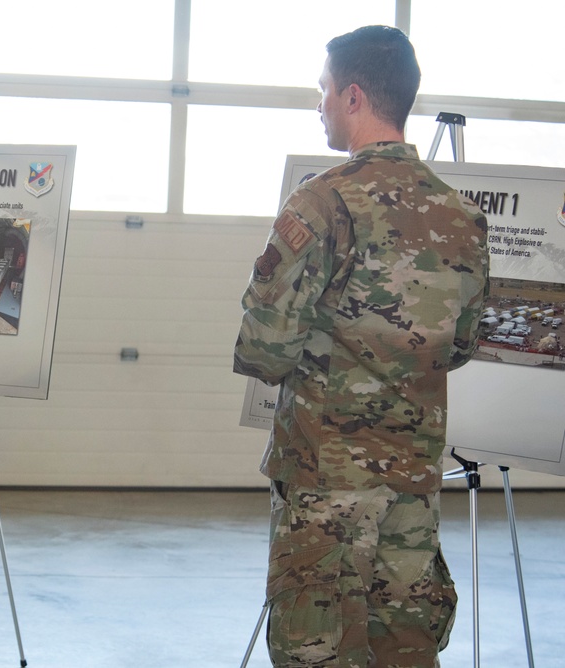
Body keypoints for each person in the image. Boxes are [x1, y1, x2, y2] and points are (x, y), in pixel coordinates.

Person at [233, 26, 489, 667]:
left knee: (317, 650)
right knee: (405, 649)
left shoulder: (323, 202)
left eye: (321, 90)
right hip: (413, 480)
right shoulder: (462, 215)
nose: (316, 104)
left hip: (326, 484)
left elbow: (264, 349)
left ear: (352, 97)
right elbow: (460, 344)